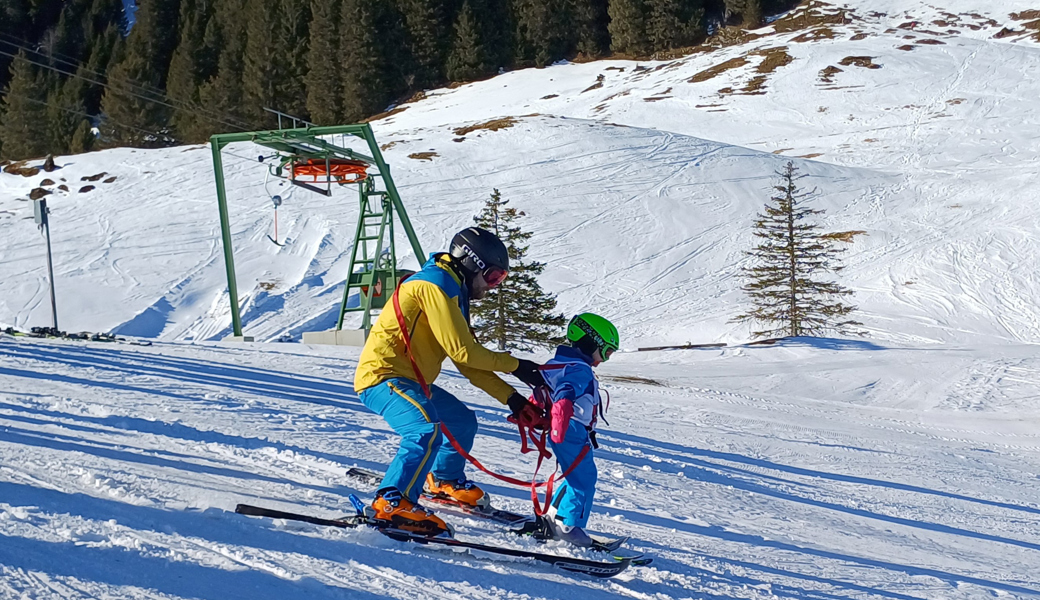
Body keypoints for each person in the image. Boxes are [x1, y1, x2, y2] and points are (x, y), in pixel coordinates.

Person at [353, 226, 546, 536]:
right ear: (472, 263)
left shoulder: (451, 289)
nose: (494, 287)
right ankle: (390, 502)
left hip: (413, 383)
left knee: (461, 422)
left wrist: (513, 399)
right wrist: (517, 365)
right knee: (424, 429)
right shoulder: (434, 285)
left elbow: (465, 362)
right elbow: (464, 351)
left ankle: (444, 481)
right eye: (494, 277)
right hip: (383, 378)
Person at [540, 313, 619, 547]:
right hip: (571, 429)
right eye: (606, 352)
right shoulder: (579, 370)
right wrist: (562, 411)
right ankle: (569, 527)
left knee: (573, 474)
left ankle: (556, 517)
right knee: (584, 479)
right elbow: (566, 390)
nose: (605, 359)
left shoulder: (560, 363)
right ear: (590, 342)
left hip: (565, 428)